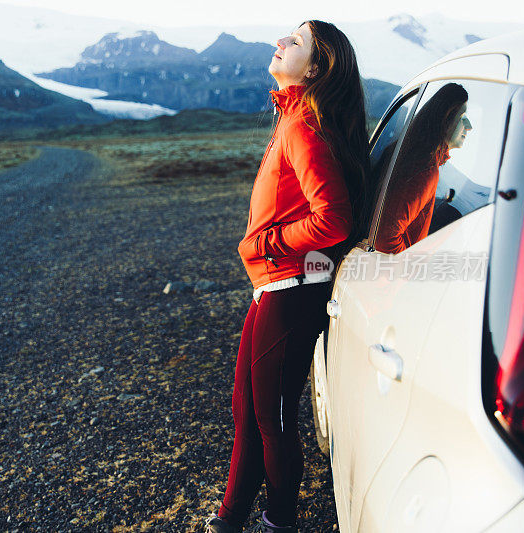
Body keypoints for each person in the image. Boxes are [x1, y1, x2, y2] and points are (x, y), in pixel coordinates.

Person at [206, 20, 370, 533]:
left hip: (292, 288)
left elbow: (333, 219)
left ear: (316, 69)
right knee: (249, 414)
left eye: (296, 42)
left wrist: (264, 244)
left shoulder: (303, 127)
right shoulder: (295, 120)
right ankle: (229, 520)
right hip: (274, 287)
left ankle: (277, 523)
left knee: (272, 422)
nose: (281, 42)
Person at [375, 83, 471, 254]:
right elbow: (385, 238)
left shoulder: (410, 153)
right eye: (462, 116)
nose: (469, 126)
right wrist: (409, 269)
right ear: (446, 118)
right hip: (387, 276)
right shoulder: (425, 170)